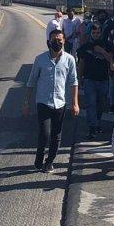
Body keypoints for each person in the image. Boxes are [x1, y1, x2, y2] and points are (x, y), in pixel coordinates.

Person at [23, 28, 79, 171]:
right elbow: (31, 82)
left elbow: (74, 82)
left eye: (59, 40)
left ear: (64, 41)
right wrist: (26, 103)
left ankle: (50, 161)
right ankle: (39, 157)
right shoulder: (40, 59)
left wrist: (75, 103)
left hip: (60, 103)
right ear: (49, 42)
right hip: (43, 102)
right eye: (54, 40)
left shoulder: (69, 60)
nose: (57, 42)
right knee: (44, 133)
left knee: (56, 135)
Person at [76, 20, 112, 137]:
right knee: (91, 104)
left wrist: (102, 52)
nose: (96, 34)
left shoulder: (106, 45)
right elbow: (82, 63)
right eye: (94, 33)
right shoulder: (85, 47)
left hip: (103, 80)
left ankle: (97, 123)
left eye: (98, 33)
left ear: (101, 33)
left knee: (100, 104)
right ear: (90, 33)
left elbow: (111, 60)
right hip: (89, 80)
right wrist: (79, 77)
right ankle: (93, 127)